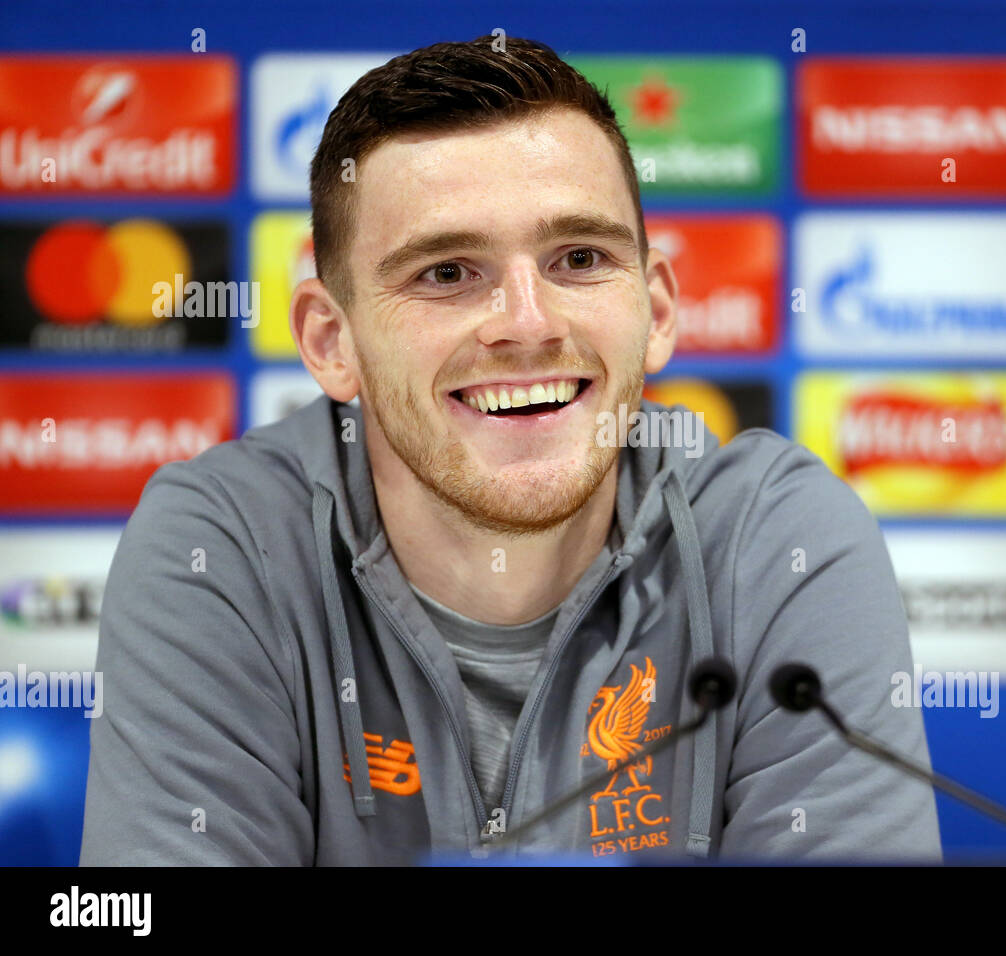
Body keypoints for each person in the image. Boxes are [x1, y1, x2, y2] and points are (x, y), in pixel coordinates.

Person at [79, 35, 942, 865]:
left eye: (578, 257)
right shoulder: (219, 546)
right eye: (448, 273)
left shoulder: (778, 540)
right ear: (330, 341)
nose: (528, 324)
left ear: (660, 312)